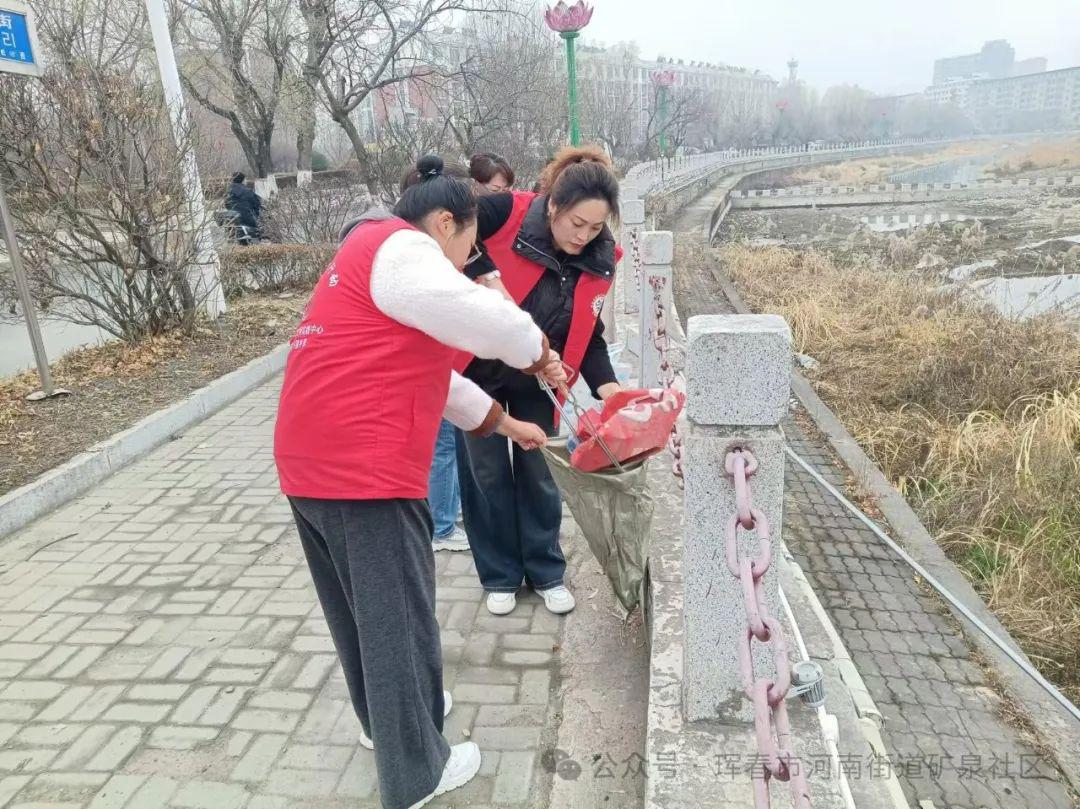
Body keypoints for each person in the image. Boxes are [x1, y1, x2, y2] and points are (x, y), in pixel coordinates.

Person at [274, 155, 563, 809]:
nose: (464, 262)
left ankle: (390, 721)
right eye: (465, 246)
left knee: (360, 614)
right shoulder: (402, 247)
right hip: (362, 469)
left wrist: (507, 423)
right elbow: (490, 320)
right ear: (441, 222)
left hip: (309, 460)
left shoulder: (369, 257)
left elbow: (439, 386)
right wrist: (541, 354)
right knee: (397, 618)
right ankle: (416, 773)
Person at [454, 145, 623, 618]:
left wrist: (611, 390)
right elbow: (445, 225)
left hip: (539, 380)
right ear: (553, 205)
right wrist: (485, 277)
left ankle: (547, 570)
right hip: (476, 371)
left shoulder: (601, 258)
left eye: (595, 228)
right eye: (576, 224)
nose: (583, 236)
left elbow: (588, 336)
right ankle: (500, 575)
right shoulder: (506, 212)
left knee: (541, 472)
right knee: (486, 475)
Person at [226, 171, 262, 242]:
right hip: (248, 220)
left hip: (234, 221)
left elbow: (227, 205)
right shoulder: (247, 192)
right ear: (242, 180)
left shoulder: (228, 192)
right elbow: (257, 205)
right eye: (245, 179)